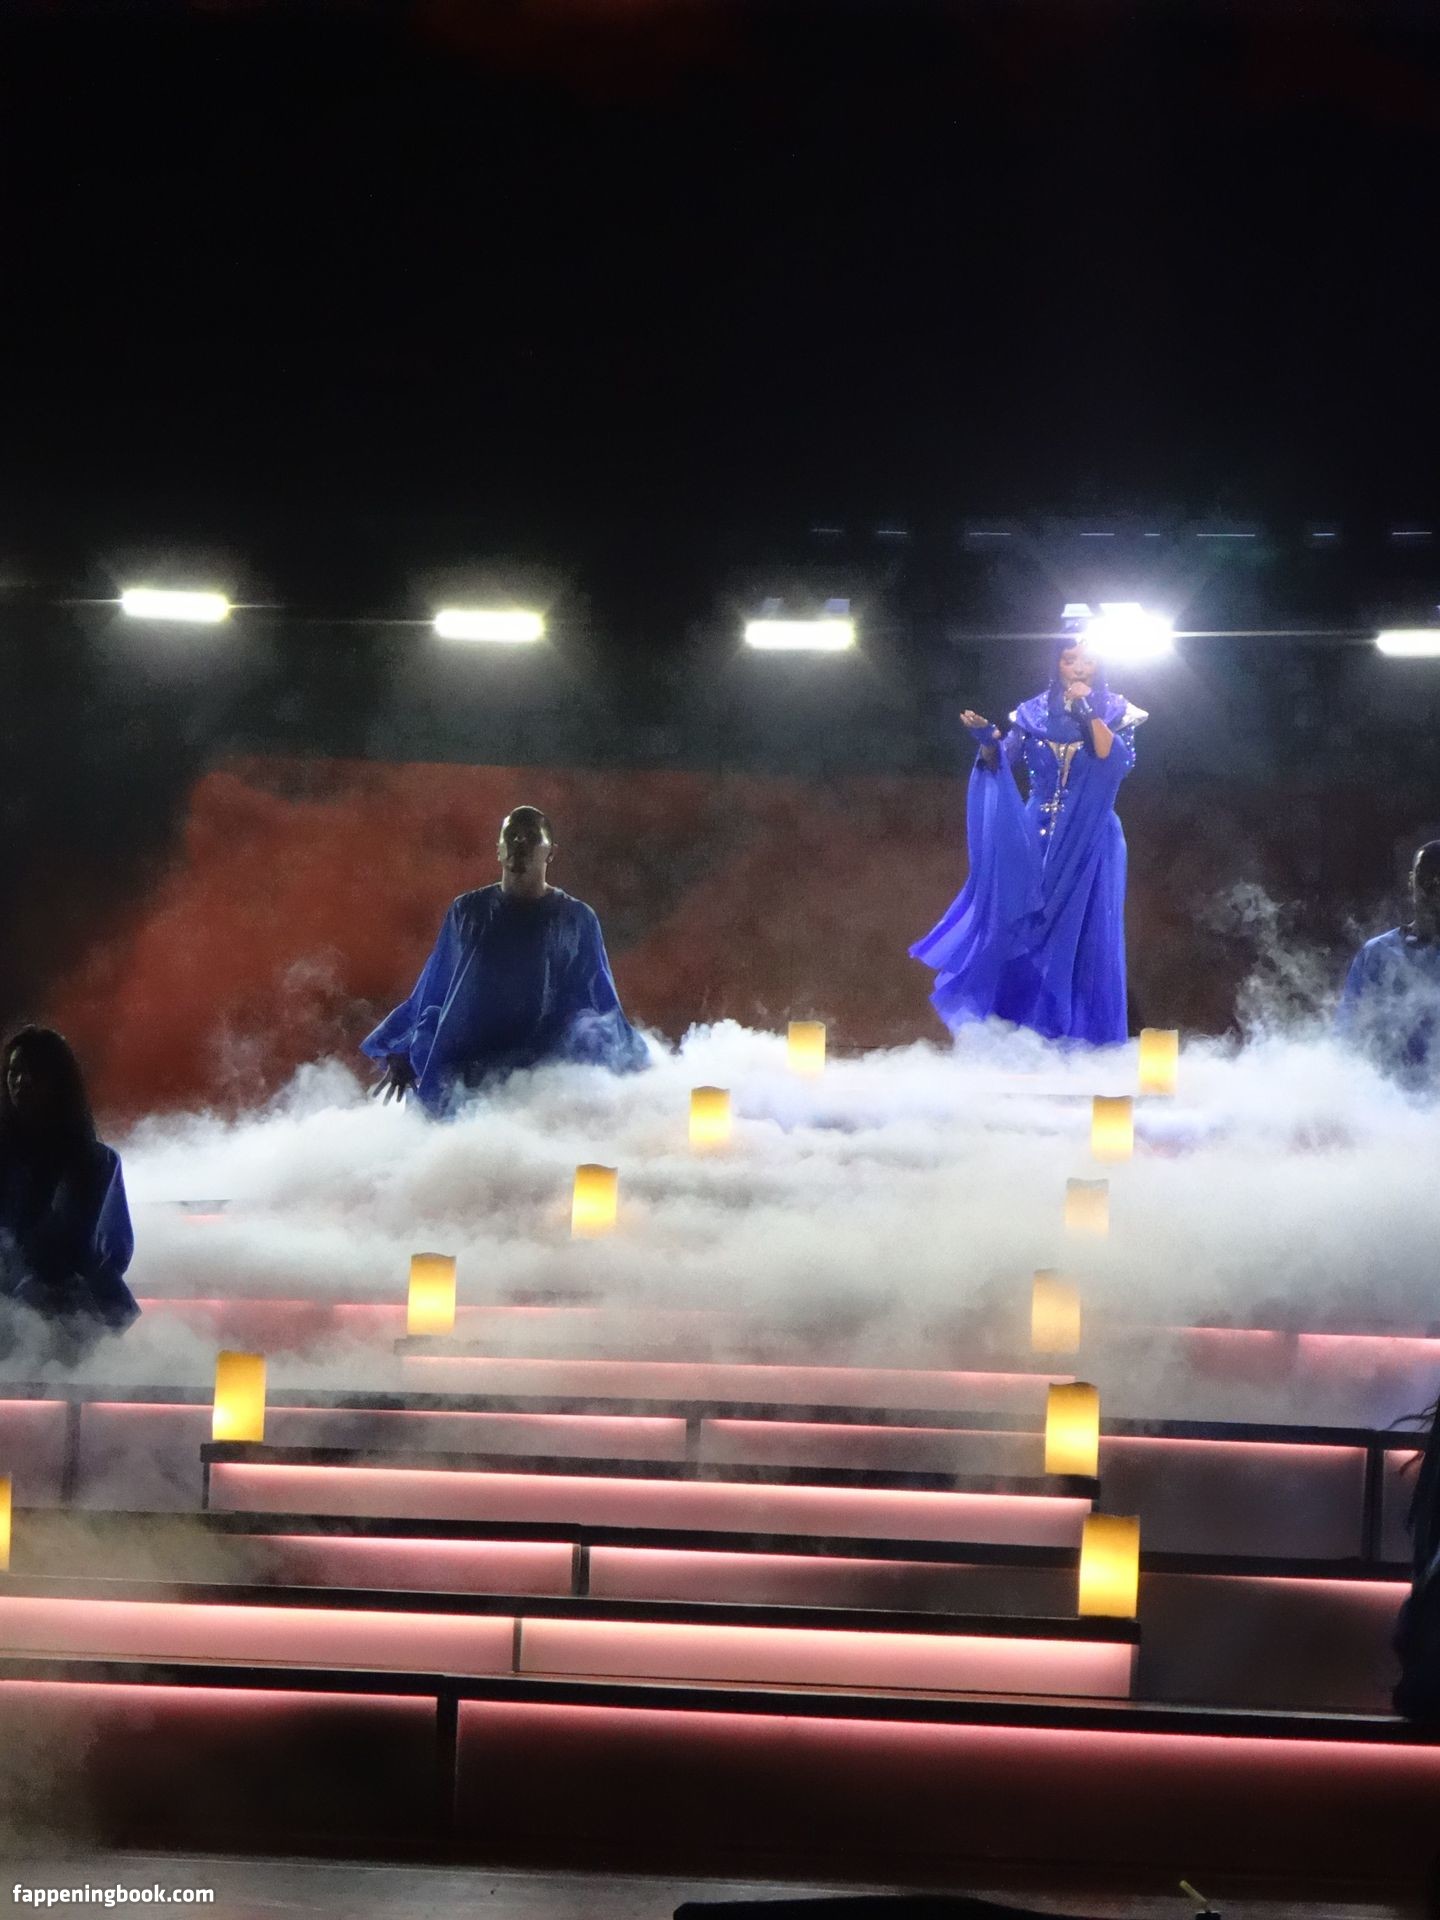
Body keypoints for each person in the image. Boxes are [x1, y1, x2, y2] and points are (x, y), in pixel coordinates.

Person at [910, 626, 1147, 1046]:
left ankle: (1078, 1037)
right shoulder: (1031, 714)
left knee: (1087, 934)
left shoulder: (1117, 711)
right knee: (1022, 924)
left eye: (1087, 660)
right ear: (1056, 663)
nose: (1079, 668)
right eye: (1069, 659)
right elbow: (1001, 760)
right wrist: (987, 742)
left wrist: (1086, 710)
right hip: (1034, 834)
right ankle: (1021, 1031)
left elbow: (1113, 760)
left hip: (1092, 836)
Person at [363, 806, 649, 1114]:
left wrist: (638, 1069)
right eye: (511, 836)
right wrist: (403, 1050)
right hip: (464, 1074)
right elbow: (434, 990)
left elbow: (599, 1001)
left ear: (551, 852)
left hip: (537, 1080)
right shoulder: (466, 912)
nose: (519, 845)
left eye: (530, 837)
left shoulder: (576, 920)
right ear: (498, 849)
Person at [0, 1026, 140, 1347]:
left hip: (70, 1313)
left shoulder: (95, 1161)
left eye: (34, 1073)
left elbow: (105, 1248)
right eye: (14, 1072)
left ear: (58, 1082)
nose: (21, 1082)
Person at [1337, 841, 1440, 1089]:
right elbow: (1347, 1037)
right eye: (1427, 879)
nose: (1434, 890)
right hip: (1391, 1103)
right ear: (1411, 881)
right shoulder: (1378, 954)